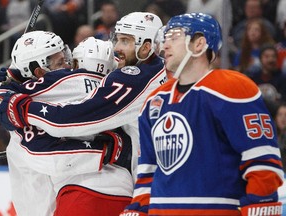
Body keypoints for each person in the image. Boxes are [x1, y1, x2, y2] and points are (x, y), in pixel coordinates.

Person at [0, 12, 167, 215]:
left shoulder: (137, 77)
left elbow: (68, 120)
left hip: (97, 191)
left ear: (146, 46)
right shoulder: (139, 71)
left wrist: (15, 101)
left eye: (125, 41)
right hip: (137, 190)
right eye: (63, 61)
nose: (69, 68)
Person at [118, 13, 284, 216]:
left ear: (199, 44)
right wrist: (139, 208)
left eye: (174, 37)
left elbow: (261, 158)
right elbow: (148, 169)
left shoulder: (232, 88)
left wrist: (260, 203)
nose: (165, 46)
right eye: (165, 38)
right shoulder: (155, 100)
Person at [0, 31, 126, 216]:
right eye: (61, 61)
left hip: (83, 193)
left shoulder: (61, 85)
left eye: (66, 56)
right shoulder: (65, 87)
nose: (68, 65)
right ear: (40, 72)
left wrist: (9, 86)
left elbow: (46, 154)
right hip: (106, 190)